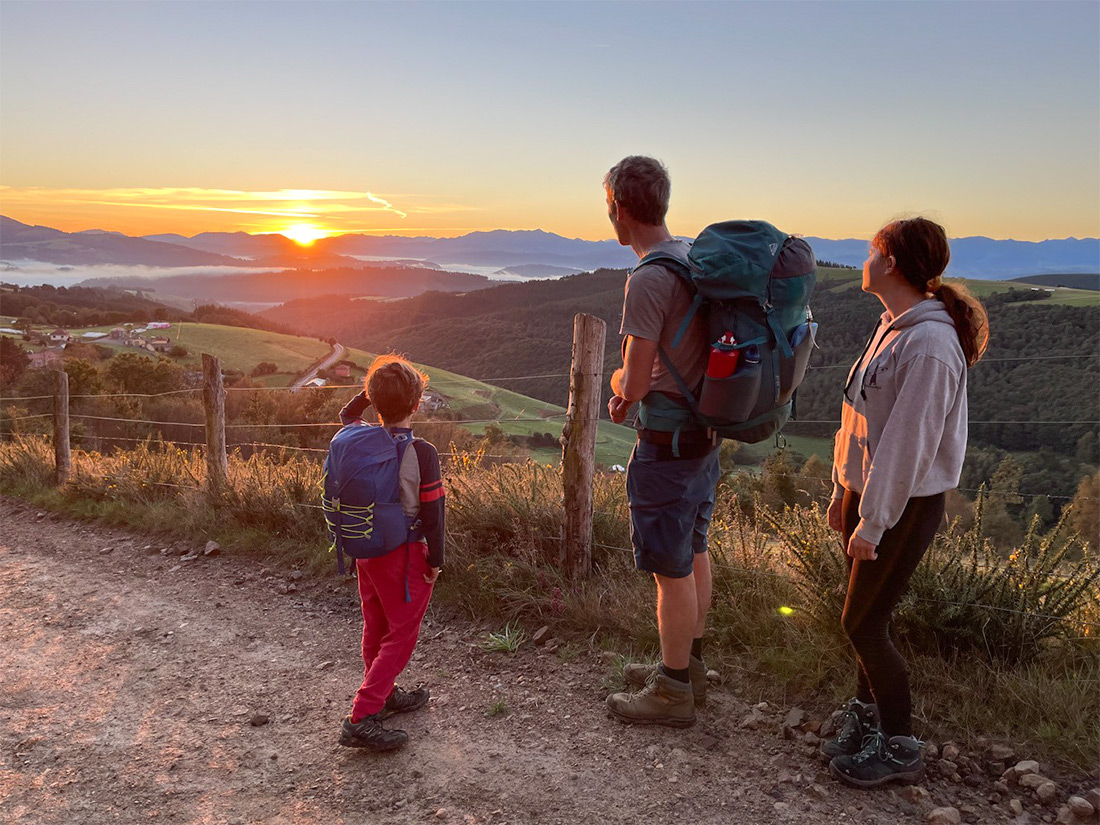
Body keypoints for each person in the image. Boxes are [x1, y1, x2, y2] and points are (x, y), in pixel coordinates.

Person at [822, 217, 988, 788]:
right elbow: (857, 418)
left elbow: (907, 443)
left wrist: (873, 522)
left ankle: (900, 746)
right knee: (868, 619)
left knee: (863, 624)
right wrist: (841, 489)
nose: (864, 260)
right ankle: (866, 717)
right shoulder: (890, 326)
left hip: (901, 504)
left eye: (872, 251)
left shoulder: (930, 344)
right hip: (867, 493)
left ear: (890, 263)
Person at [602, 156, 719, 728]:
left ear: (619, 208)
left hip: (667, 444)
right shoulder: (692, 257)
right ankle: (688, 666)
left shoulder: (648, 277)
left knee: (670, 571)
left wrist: (619, 387)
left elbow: (635, 378)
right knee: (693, 550)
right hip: (703, 437)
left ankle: (672, 692)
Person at [336, 355, 445, 751]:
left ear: (374, 401)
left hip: (366, 549)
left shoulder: (360, 436)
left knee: (376, 626)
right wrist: (436, 561)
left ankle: (383, 694)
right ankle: (362, 716)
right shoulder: (422, 452)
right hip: (404, 554)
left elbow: (347, 414)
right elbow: (433, 513)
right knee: (401, 635)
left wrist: (373, 393)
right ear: (416, 404)